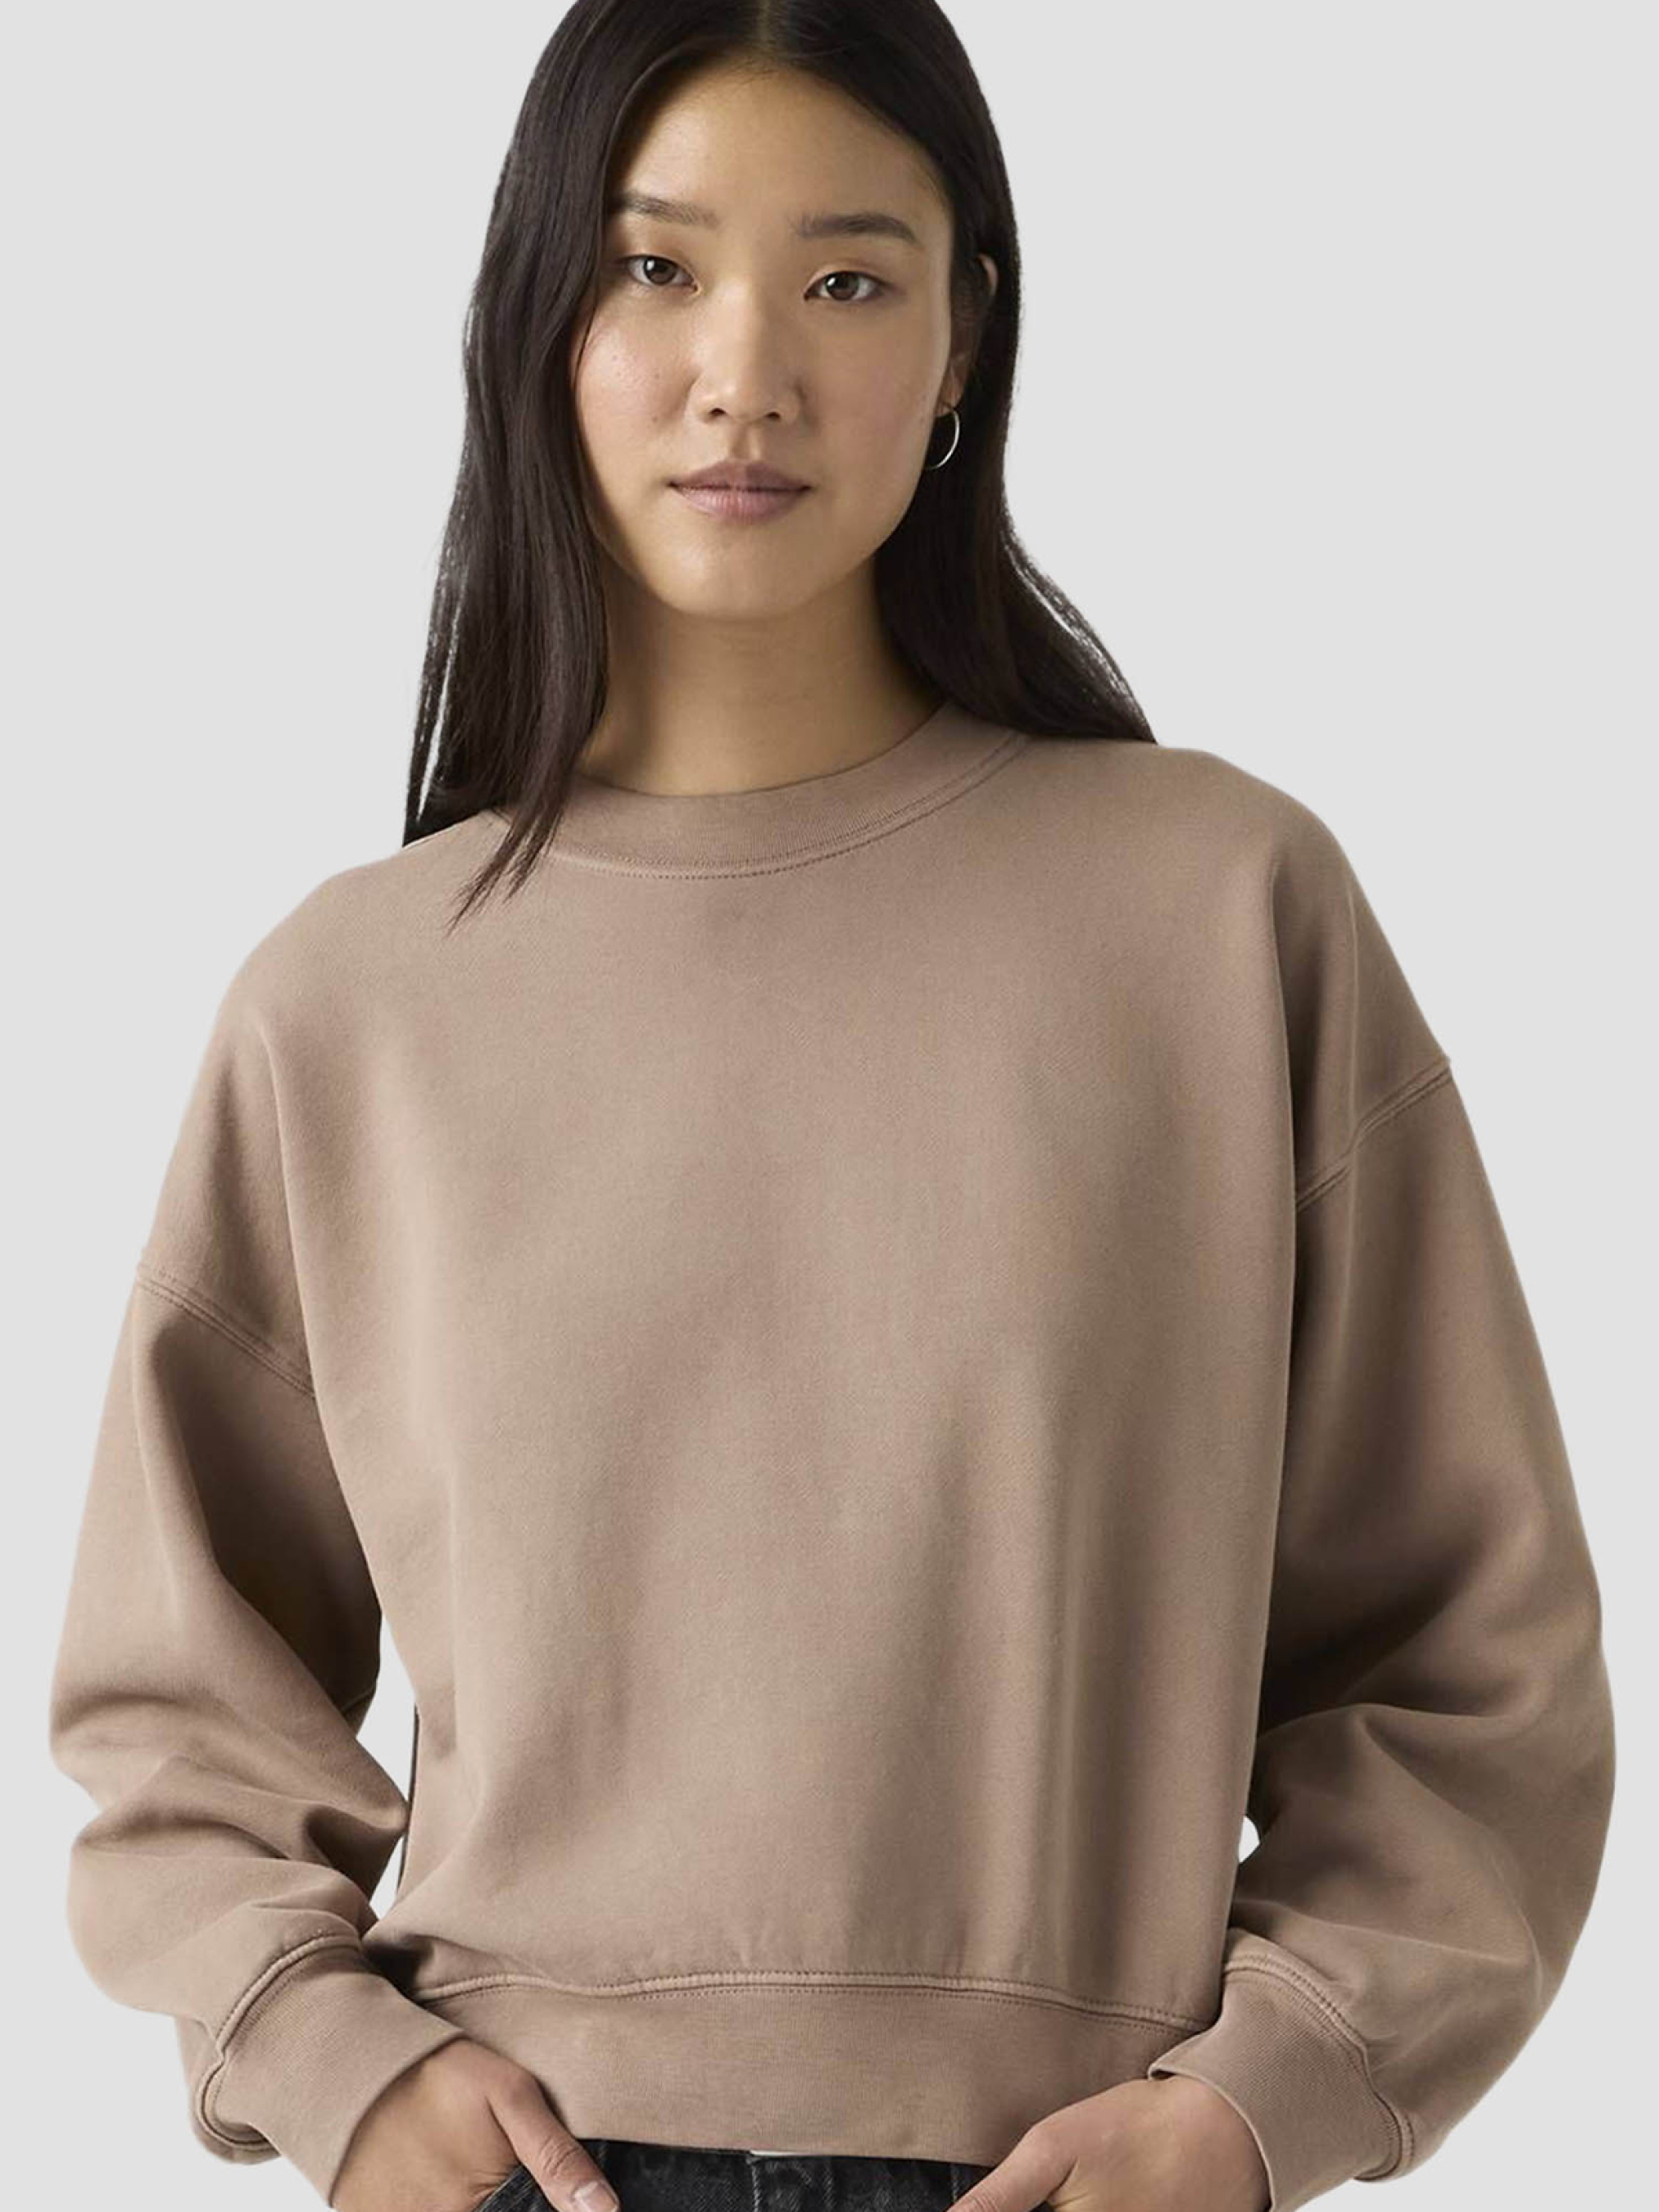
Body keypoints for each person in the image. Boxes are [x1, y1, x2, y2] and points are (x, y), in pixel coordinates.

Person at [47, 5, 1616, 2212]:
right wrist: (321, 2051)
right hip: (528, 2165)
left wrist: (1268, 2095)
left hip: (1073, 2164)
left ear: (966, 335)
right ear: (541, 322)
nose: (746, 373)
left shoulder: (1220, 912)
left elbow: (1469, 1654)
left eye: (850, 279)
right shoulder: (354, 1004)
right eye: (656, 266)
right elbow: (177, 1695)